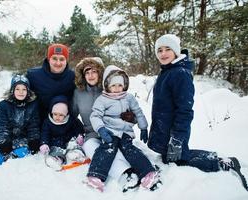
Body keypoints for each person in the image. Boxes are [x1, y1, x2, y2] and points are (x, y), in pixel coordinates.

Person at [148, 34, 247, 191]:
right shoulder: (167, 71)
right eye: (159, 50)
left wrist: (177, 138)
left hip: (174, 129)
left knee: (178, 159)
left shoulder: (180, 73)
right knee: (168, 157)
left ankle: (221, 162)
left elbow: (185, 110)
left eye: (168, 49)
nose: (163, 53)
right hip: (165, 127)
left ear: (176, 51)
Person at [84, 65, 161, 192]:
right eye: (113, 85)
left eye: (120, 85)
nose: (117, 88)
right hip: (109, 130)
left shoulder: (129, 97)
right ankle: (95, 176)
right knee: (108, 148)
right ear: (107, 85)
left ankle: (148, 172)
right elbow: (95, 115)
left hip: (125, 131)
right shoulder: (102, 99)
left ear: (124, 85)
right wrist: (101, 129)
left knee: (128, 148)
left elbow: (138, 112)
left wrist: (143, 127)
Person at [73, 57, 141, 192]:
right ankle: (125, 173)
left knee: (116, 148)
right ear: (83, 75)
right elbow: (72, 116)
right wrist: (76, 133)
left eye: (94, 71)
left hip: (114, 131)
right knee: (93, 149)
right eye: (87, 72)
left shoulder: (110, 89)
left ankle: (141, 168)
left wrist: (131, 118)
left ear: (100, 73)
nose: (91, 75)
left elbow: (130, 113)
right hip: (92, 133)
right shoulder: (78, 93)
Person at [0, 75, 41, 166]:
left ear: (28, 91)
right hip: (6, 135)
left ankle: (13, 155)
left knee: (23, 152)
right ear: (12, 90)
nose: (21, 92)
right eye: (17, 89)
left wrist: (33, 139)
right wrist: (4, 141)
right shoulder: (4, 105)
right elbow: (1, 125)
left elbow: (33, 125)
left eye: (24, 89)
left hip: (21, 136)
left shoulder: (32, 106)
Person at [26, 43, 75, 123]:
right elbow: (18, 93)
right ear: (49, 59)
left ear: (66, 61)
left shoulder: (73, 77)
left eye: (62, 59)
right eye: (54, 58)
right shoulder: (33, 76)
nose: (58, 63)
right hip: (38, 125)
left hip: (64, 125)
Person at [39, 95, 86, 170]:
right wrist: (44, 143)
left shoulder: (71, 119)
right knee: (56, 149)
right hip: (56, 141)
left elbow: (78, 128)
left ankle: (76, 154)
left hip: (69, 139)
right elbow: (45, 133)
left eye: (61, 115)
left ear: (66, 114)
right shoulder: (47, 122)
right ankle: (57, 160)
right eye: (55, 114)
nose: (57, 117)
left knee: (73, 144)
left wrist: (79, 135)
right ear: (52, 113)